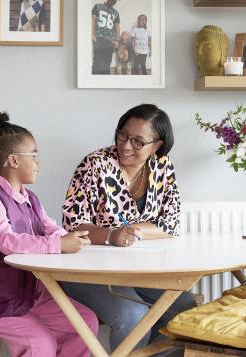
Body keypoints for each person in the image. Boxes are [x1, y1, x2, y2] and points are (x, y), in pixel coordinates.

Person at [61, 104, 198, 352]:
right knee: (134, 316)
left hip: (141, 270)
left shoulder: (162, 167)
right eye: (122, 135)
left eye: (137, 142)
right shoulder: (95, 164)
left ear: (156, 145)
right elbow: (73, 225)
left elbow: (171, 223)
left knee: (183, 310)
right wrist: (113, 235)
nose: (125, 146)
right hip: (89, 272)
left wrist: (132, 232)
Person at [0, 112, 97, 356]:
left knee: (85, 323)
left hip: (33, 295)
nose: (39, 163)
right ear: (14, 161)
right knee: (40, 345)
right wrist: (58, 245)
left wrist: (71, 239)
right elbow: (7, 241)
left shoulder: (31, 199)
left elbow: (50, 227)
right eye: (34, 156)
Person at [91, 0, 119, 75]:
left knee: (107, 62)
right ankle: (95, 81)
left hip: (110, 40)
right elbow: (93, 20)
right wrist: (92, 34)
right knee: (97, 61)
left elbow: (117, 27)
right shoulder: (98, 6)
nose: (113, 1)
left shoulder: (116, 12)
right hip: (99, 37)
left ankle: (106, 81)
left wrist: (117, 40)